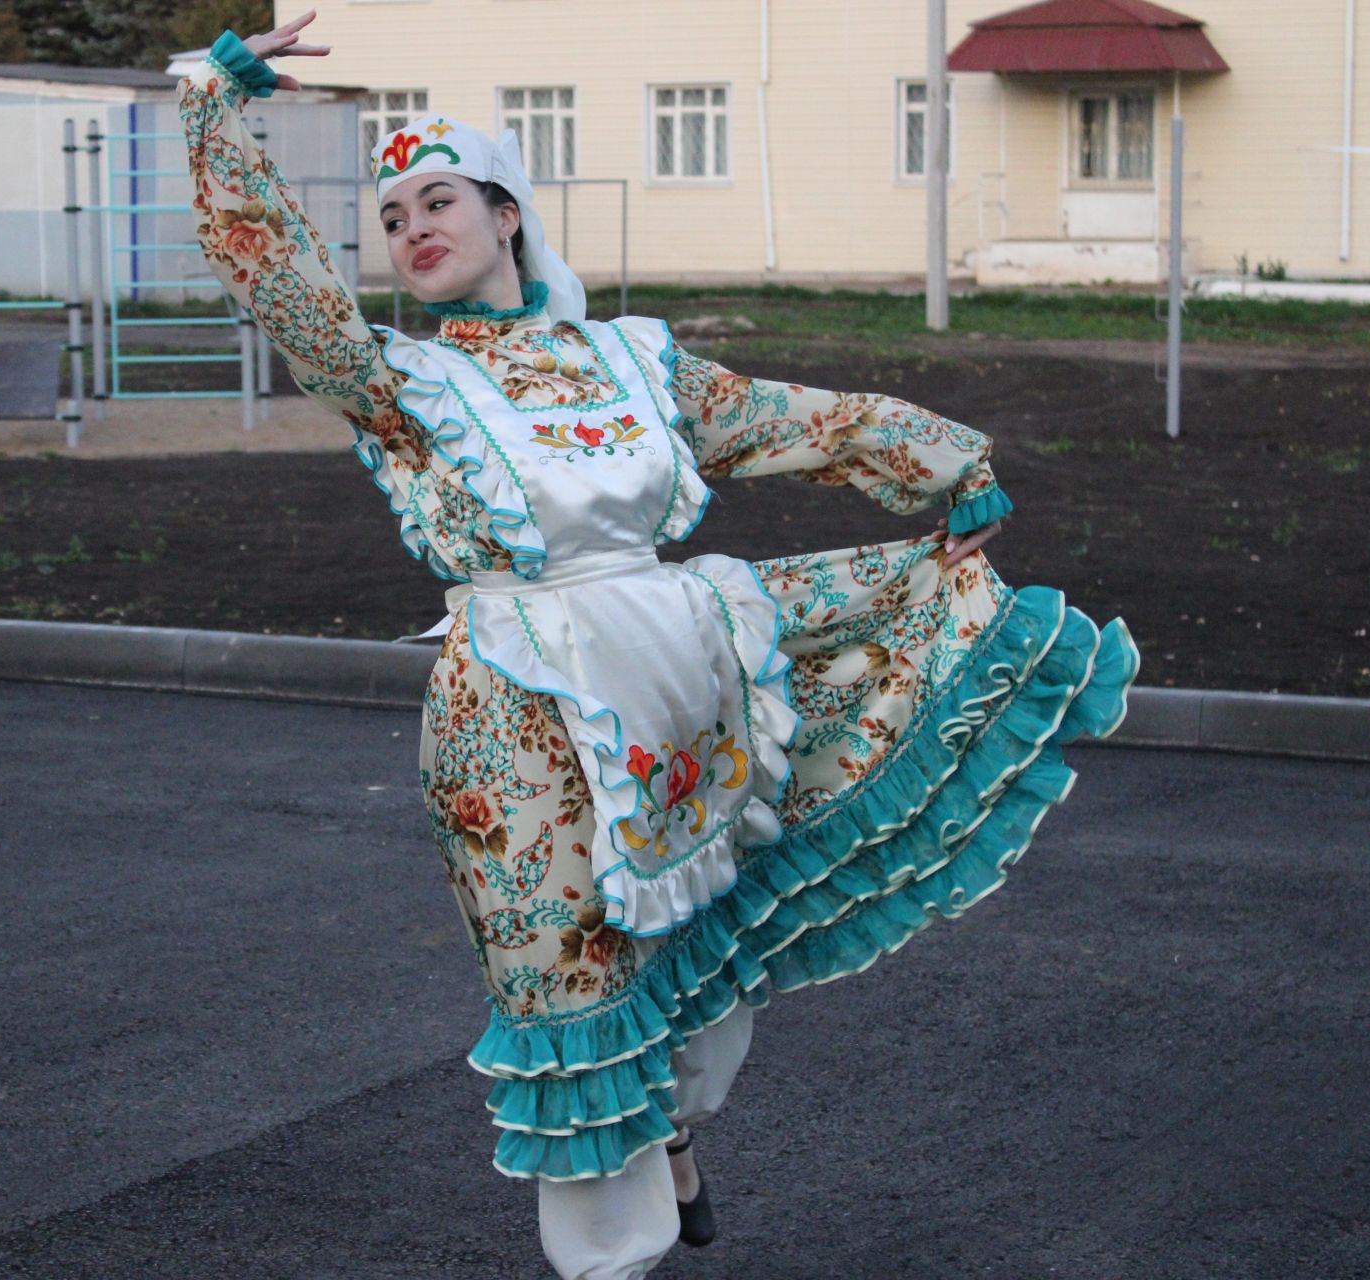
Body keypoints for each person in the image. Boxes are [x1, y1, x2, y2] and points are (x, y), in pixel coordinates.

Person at [177, 13, 1139, 1278]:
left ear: (508, 212)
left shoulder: (635, 361)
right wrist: (217, 99)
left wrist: (946, 460)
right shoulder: (397, 385)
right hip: (505, 713)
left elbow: (793, 418)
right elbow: (279, 281)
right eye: (392, 210)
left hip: (679, 672)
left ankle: (675, 1133)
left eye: (440, 197)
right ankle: (611, 1262)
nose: (411, 224)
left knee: (694, 953)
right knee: (561, 986)